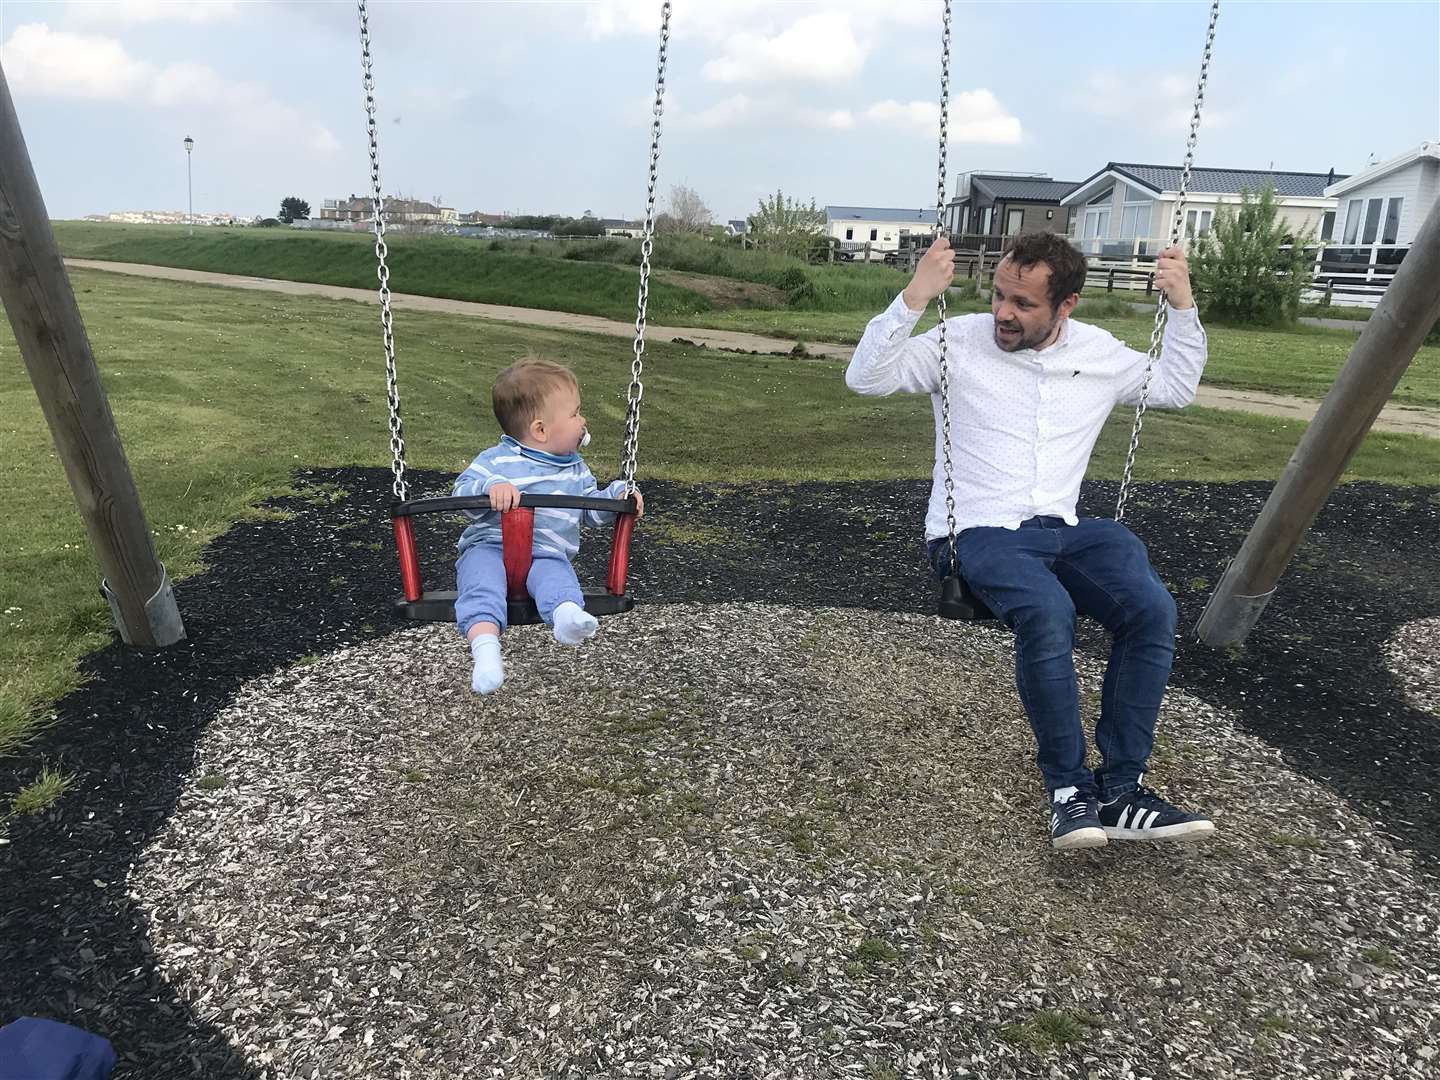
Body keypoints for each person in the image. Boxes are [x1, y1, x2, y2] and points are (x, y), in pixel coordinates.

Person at [845, 230, 1215, 851]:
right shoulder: (956, 341)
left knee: (1152, 610)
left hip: (1064, 530)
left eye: (1023, 305)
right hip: (978, 531)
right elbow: (867, 378)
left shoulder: (1099, 353)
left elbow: (1176, 388)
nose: (1003, 315)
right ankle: (1069, 791)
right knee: (1049, 611)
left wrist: (1181, 306)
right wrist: (914, 297)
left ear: (1066, 305)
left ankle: (1122, 792)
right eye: (998, 297)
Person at [452, 358, 642, 695]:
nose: (583, 421)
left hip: (547, 554)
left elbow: (591, 512)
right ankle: (486, 653)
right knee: (481, 589)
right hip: (487, 548)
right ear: (541, 430)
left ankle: (567, 617)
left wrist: (618, 495)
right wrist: (490, 488)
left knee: (558, 581)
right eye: (575, 413)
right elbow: (462, 495)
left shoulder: (576, 470)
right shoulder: (494, 461)